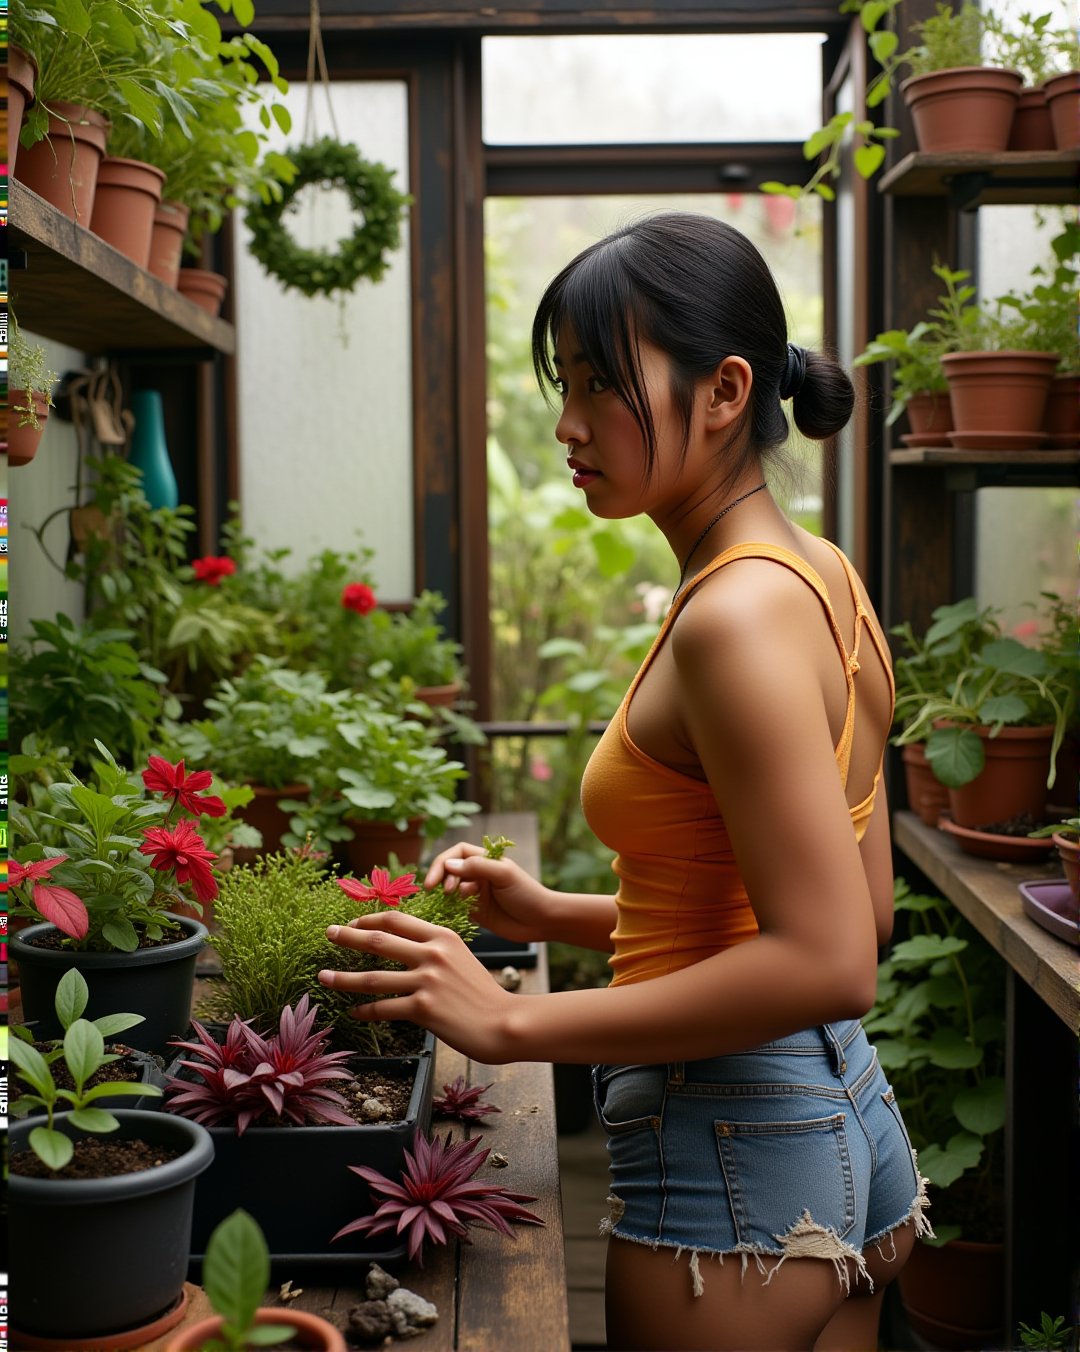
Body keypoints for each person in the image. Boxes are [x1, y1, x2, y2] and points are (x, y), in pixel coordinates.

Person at [319, 211, 931, 1351]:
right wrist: (558, 914)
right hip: (851, 1139)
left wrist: (511, 1021)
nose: (566, 423)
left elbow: (831, 958)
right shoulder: (823, 576)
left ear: (725, 389)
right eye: (568, 383)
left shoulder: (731, 621)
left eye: (602, 383)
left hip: (733, 1171)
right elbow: (861, 912)